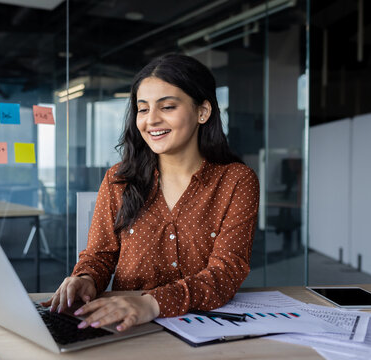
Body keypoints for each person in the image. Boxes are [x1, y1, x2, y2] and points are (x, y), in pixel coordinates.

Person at [42, 54, 260, 332]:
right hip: (125, 324)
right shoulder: (118, 179)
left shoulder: (235, 181)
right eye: (142, 109)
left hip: (204, 325)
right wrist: (85, 278)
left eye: (167, 107)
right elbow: (100, 255)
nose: (151, 120)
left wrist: (152, 303)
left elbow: (226, 272)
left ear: (203, 112)